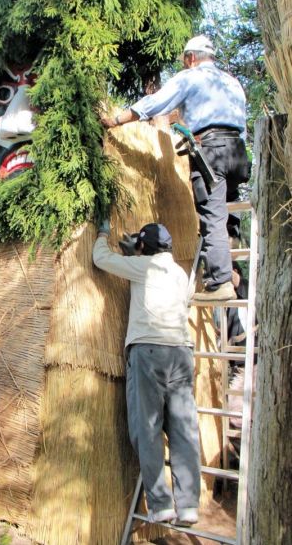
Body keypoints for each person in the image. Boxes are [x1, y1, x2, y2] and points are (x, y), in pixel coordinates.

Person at [100, 35, 251, 301]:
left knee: (211, 215)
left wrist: (116, 120)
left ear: (191, 58)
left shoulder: (190, 78)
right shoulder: (232, 82)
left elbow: (154, 103)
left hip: (212, 151)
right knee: (227, 217)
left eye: (184, 61)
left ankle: (220, 283)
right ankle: (233, 274)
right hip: (237, 153)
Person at [93, 221, 200, 526]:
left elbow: (101, 259)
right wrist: (137, 255)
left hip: (148, 353)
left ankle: (161, 504)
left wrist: (102, 235)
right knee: (183, 430)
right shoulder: (179, 274)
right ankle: (189, 505)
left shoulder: (144, 268)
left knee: (147, 429)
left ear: (143, 248)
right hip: (181, 354)